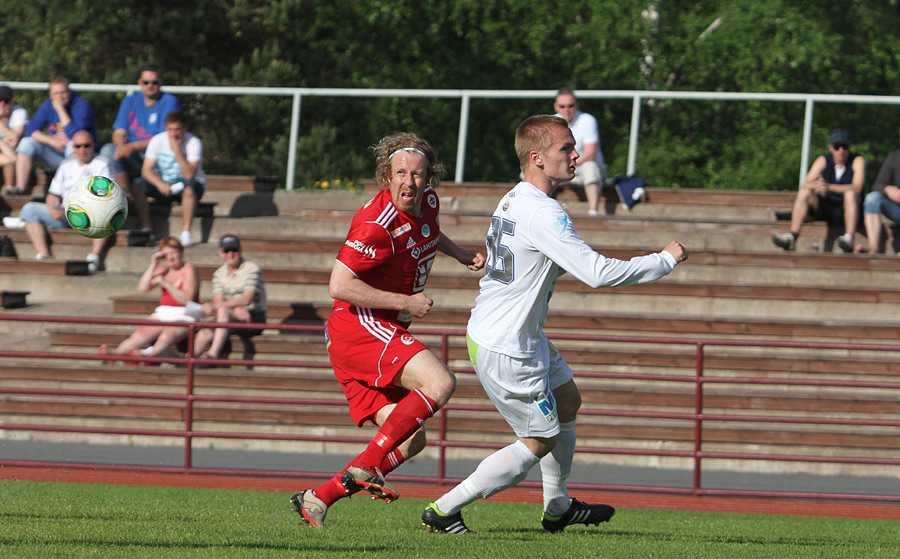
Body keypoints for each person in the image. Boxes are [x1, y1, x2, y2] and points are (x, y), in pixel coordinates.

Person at [421, 115, 688, 534]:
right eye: (566, 148)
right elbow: (597, 273)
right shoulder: (545, 213)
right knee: (538, 440)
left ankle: (558, 506)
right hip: (508, 343)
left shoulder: (515, 198)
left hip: (514, 332)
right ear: (537, 158)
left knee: (567, 400)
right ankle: (444, 510)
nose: (576, 155)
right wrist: (664, 259)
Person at [289, 132, 485, 529]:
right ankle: (368, 466)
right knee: (441, 383)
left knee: (413, 439)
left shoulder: (428, 202)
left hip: (379, 326)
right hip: (358, 325)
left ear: (428, 178)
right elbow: (338, 286)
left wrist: (461, 253)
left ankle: (318, 499)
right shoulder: (374, 226)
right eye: (400, 173)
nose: (409, 182)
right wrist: (406, 302)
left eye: (417, 174)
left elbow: (429, 231)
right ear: (386, 176)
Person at [2, 130, 113, 270]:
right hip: (65, 214)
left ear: (93, 146)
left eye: (86, 145)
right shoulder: (67, 164)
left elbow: (107, 196)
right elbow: (53, 195)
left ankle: (94, 258)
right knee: (30, 209)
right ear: (73, 147)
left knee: (106, 210)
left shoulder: (102, 164)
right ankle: (44, 256)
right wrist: (53, 208)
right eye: (78, 146)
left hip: (90, 215)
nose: (82, 150)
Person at [100, 63, 181, 237]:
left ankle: (146, 224)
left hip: (158, 162)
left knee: (140, 183)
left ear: (160, 83)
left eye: (154, 82)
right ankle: (125, 196)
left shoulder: (169, 102)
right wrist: (121, 145)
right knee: (108, 150)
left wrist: (132, 146)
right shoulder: (130, 101)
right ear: (140, 82)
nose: (150, 86)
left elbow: (163, 138)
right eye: (146, 82)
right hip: (136, 159)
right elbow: (119, 132)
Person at [99, 237, 201, 362]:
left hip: (186, 313)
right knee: (141, 333)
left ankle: (150, 357)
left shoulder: (188, 269)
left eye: (174, 252)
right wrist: (154, 264)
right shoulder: (164, 269)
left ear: (181, 252)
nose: (170, 257)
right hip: (164, 312)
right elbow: (143, 287)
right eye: (166, 254)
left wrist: (166, 284)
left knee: (167, 334)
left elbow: (187, 299)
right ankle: (116, 353)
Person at [772, 129, 865, 252]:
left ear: (849, 147)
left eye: (844, 146)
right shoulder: (823, 160)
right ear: (831, 148)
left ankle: (849, 238)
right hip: (826, 208)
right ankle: (792, 236)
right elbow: (806, 183)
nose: (841, 150)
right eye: (837, 147)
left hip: (847, 210)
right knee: (804, 192)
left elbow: (857, 187)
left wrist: (829, 187)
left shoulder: (857, 160)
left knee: (850, 194)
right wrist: (818, 185)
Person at [12, 77, 98, 195]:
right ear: (50, 95)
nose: (60, 97)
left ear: (69, 92)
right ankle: (20, 189)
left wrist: (60, 110)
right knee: (26, 143)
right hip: (56, 155)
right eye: (55, 93)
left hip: (81, 158)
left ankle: (73, 193)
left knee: (72, 145)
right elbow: (30, 130)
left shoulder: (81, 105)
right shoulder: (48, 105)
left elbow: (76, 135)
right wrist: (51, 141)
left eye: (63, 92)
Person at [135, 110, 206, 247]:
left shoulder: (194, 142)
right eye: (170, 130)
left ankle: (186, 231)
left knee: (189, 188)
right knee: (137, 185)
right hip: (166, 185)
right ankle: (147, 229)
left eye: (178, 130)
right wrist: (159, 184)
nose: (174, 134)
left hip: (188, 185)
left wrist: (176, 150)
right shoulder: (157, 140)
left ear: (185, 128)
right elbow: (146, 170)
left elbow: (190, 174)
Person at [192, 234, 267, 361]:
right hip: (231, 315)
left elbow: (246, 299)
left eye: (234, 250)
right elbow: (219, 301)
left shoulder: (251, 268)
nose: (230, 254)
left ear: (240, 250)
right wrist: (236, 308)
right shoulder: (219, 274)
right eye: (226, 250)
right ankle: (189, 359)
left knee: (222, 310)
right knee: (205, 331)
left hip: (254, 315)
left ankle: (213, 355)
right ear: (221, 253)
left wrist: (230, 307)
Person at [553, 88, 607, 217]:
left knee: (591, 167)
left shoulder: (587, 120)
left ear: (577, 105)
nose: (567, 109)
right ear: (556, 107)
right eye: (562, 106)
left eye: (571, 105)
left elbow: (590, 154)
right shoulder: (552, 122)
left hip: (581, 168)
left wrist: (565, 164)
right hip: (562, 168)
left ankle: (593, 212)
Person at [856, 127, 900, 254]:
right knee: (872, 198)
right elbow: (877, 185)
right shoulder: (895, 157)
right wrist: (888, 188)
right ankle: (873, 247)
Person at [0, 85, 29, 193]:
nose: (2, 104)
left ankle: (9, 187)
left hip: (11, 148)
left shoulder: (19, 112)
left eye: (5, 101)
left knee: (10, 149)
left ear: (12, 101)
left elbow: (14, 137)